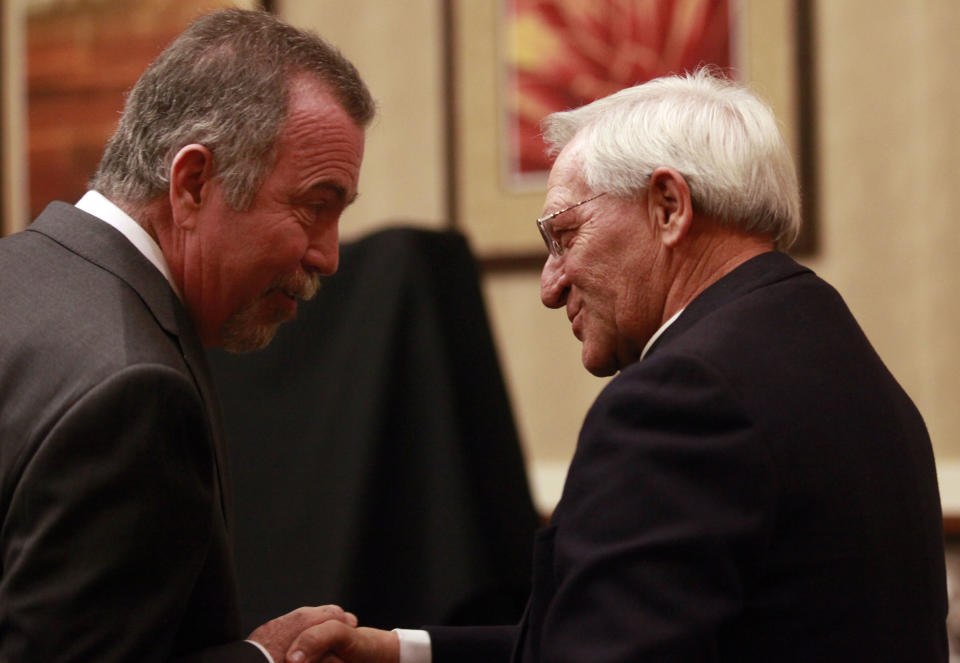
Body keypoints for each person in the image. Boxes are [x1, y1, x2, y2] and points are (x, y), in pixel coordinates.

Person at [280, 70, 948, 662]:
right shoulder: (836, 356)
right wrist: (398, 651)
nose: (550, 285)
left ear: (668, 206)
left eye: (564, 237)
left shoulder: (683, 398)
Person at [0, 9, 375, 662]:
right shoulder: (133, 391)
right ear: (193, 183)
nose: (328, 256)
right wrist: (259, 659)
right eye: (315, 207)